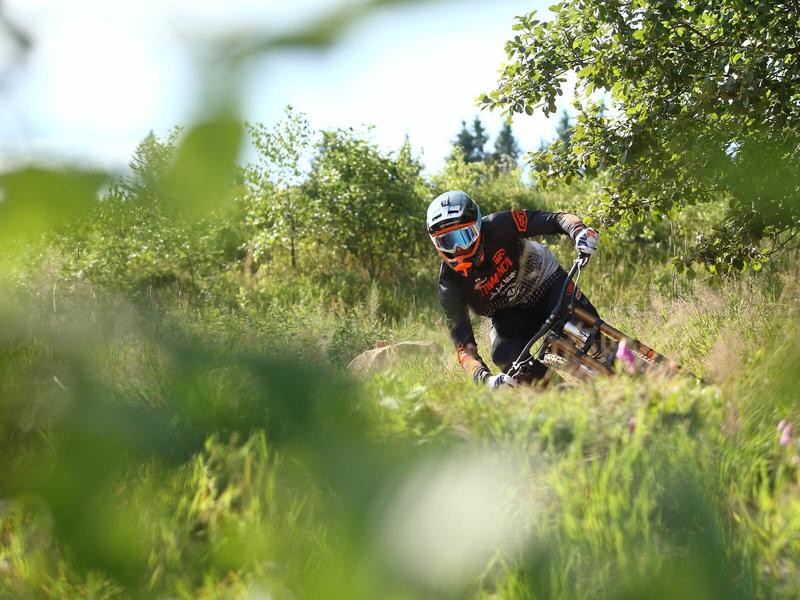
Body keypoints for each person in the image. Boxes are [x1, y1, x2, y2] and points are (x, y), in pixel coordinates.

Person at [428, 190, 599, 389]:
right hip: (509, 312)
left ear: (478, 227)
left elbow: (554, 219)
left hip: (546, 281)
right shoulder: (449, 284)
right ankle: (565, 396)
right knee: (504, 356)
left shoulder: (499, 225)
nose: (457, 248)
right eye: (447, 241)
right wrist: (486, 379)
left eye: (464, 236)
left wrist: (579, 231)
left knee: (594, 337)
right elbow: (463, 349)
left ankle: (630, 367)